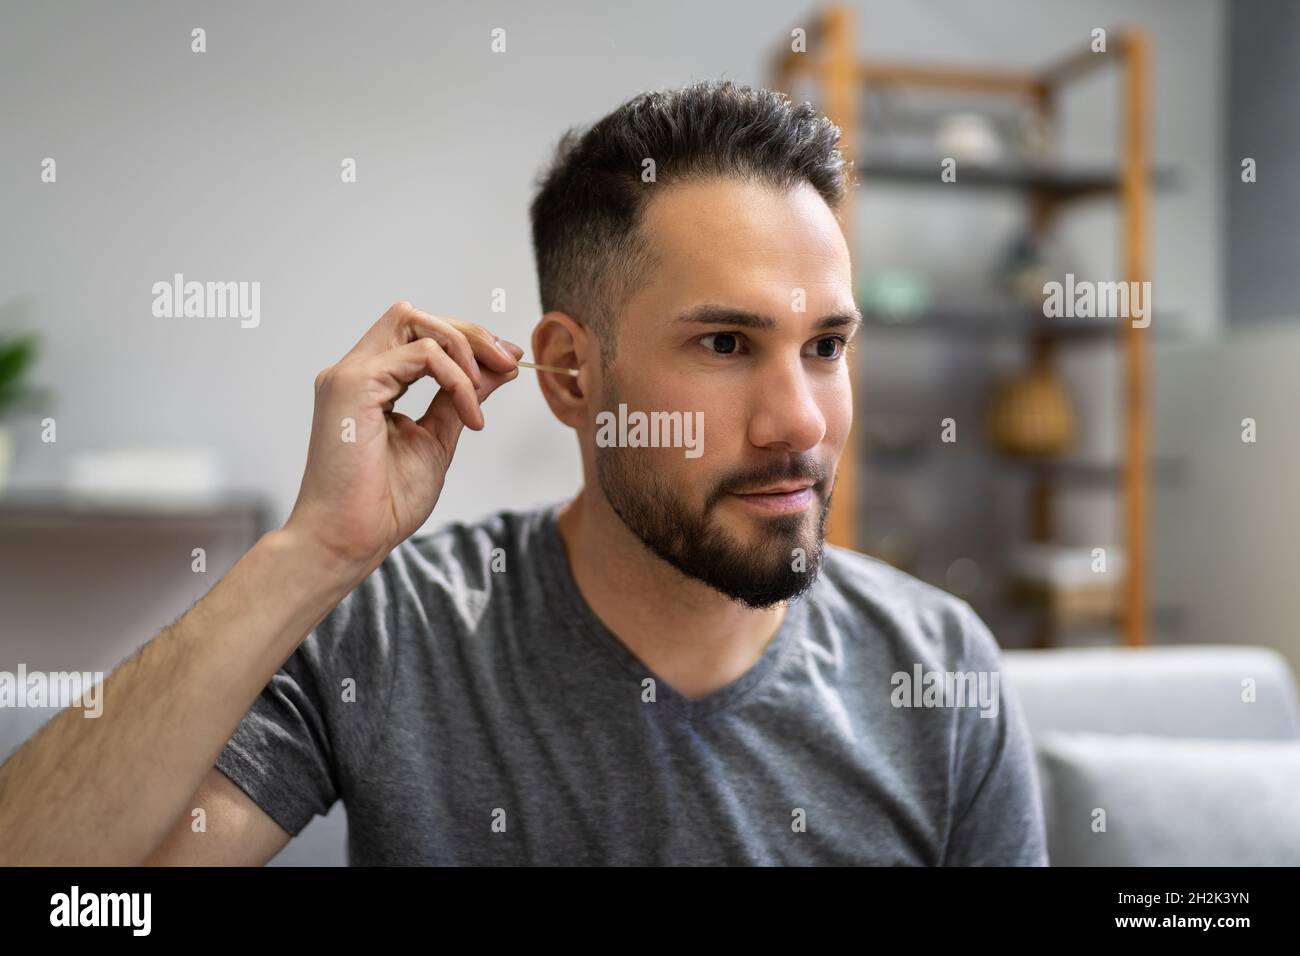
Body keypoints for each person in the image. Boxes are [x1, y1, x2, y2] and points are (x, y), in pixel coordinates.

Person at [0, 80, 1047, 866]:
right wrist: (312, 553)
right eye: (726, 344)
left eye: (825, 344)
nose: (800, 420)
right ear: (572, 372)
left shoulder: (937, 667)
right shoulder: (395, 629)